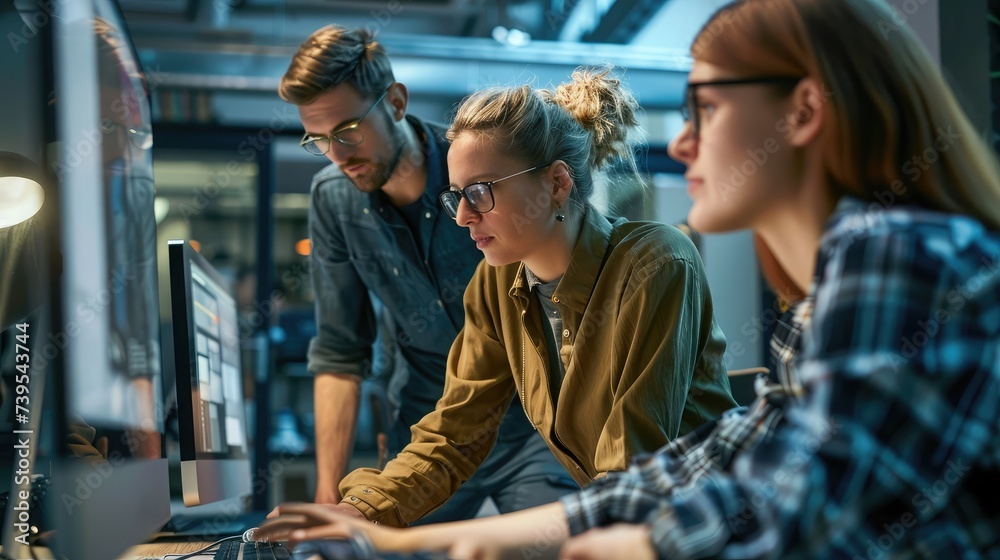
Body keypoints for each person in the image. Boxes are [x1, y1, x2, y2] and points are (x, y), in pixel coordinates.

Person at [258, 0, 1000, 558]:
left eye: (703, 108)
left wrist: (641, 543)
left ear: (803, 109)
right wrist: (386, 527)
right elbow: (709, 461)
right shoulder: (820, 306)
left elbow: (791, 514)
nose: (681, 141)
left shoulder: (894, 258)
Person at [277, 63, 736, 528]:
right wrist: (357, 510)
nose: (461, 217)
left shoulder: (655, 263)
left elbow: (629, 465)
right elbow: (456, 433)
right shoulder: (495, 285)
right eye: (456, 196)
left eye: (479, 192)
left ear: (557, 183)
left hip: (711, 528)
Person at [279, 25, 579, 524]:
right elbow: (340, 352)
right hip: (429, 433)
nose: (338, 154)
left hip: (531, 424)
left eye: (349, 130)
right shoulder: (333, 200)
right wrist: (328, 499)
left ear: (395, 101)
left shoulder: (476, 167)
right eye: (319, 140)